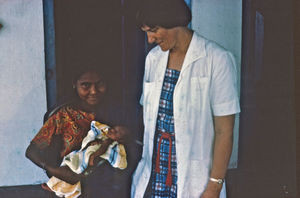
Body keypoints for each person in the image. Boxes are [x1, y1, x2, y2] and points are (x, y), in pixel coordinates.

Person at [131, 0, 240, 198]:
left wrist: (214, 187)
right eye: (146, 32)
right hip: (155, 171)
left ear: (175, 22)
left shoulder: (217, 59)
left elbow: (225, 131)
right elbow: (148, 118)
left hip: (195, 180)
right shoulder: (153, 59)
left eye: (154, 30)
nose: (149, 39)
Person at [26, 66, 130, 198]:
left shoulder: (117, 113)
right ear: (74, 85)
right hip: (70, 187)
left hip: (108, 189)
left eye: (99, 84)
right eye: (86, 85)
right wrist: (56, 171)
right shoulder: (64, 115)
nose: (93, 91)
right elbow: (31, 151)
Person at [44, 121, 128, 198]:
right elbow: (92, 135)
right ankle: (56, 187)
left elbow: (115, 159)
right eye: (113, 128)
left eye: (116, 132)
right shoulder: (103, 134)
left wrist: (98, 151)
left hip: (90, 161)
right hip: (82, 154)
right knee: (69, 170)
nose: (111, 130)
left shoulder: (112, 144)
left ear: (120, 139)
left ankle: (52, 182)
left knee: (70, 169)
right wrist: (93, 142)